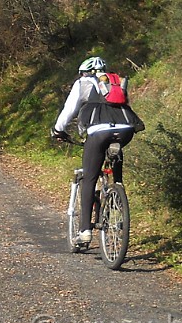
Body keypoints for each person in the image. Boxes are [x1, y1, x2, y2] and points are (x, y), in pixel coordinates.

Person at [50, 56, 137, 246]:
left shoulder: (83, 83)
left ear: (84, 72)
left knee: (89, 177)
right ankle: (118, 188)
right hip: (126, 129)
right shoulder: (115, 81)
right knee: (115, 151)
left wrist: (58, 130)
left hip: (98, 131)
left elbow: (69, 109)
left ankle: (85, 231)